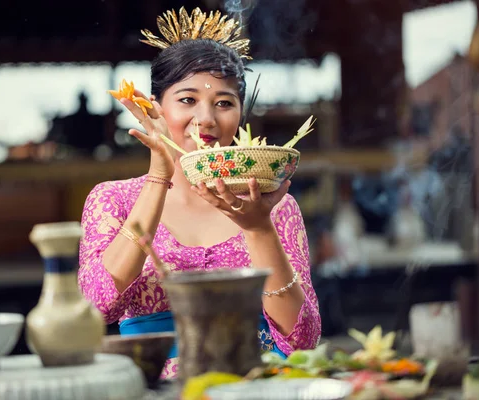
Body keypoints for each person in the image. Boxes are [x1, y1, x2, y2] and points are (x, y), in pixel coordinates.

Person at [78, 7, 321, 379]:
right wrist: (159, 175)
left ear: (240, 115)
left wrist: (258, 229)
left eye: (224, 103)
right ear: (155, 108)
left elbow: (302, 340)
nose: (206, 119)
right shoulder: (113, 200)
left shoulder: (271, 204)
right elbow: (96, 307)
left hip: (255, 383)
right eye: (188, 100)